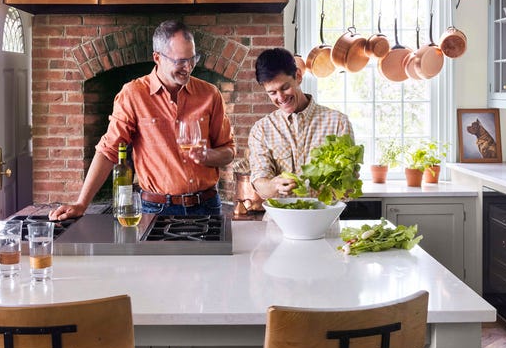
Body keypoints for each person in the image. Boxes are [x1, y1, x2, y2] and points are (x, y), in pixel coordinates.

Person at [50, 20, 234, 220]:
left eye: (192, 59)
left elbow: (228, 151)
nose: (188, 68)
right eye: (180, 61)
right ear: (157, 57)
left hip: (207, 206)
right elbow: (108, 150)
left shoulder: (210, 94)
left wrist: (207, 156)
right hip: (156, 210)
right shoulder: (134, 94)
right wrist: (81, 203)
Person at [248, 47, 353, 199]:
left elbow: (347, 190)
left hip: (324, 220)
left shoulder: (338, 123)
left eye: (285, 87)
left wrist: (347, 178)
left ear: (298, 76)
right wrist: (274, 185)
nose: (281, 97)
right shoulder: (261, 129)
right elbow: (260, 183)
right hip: (279, 221)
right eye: (272, 93)